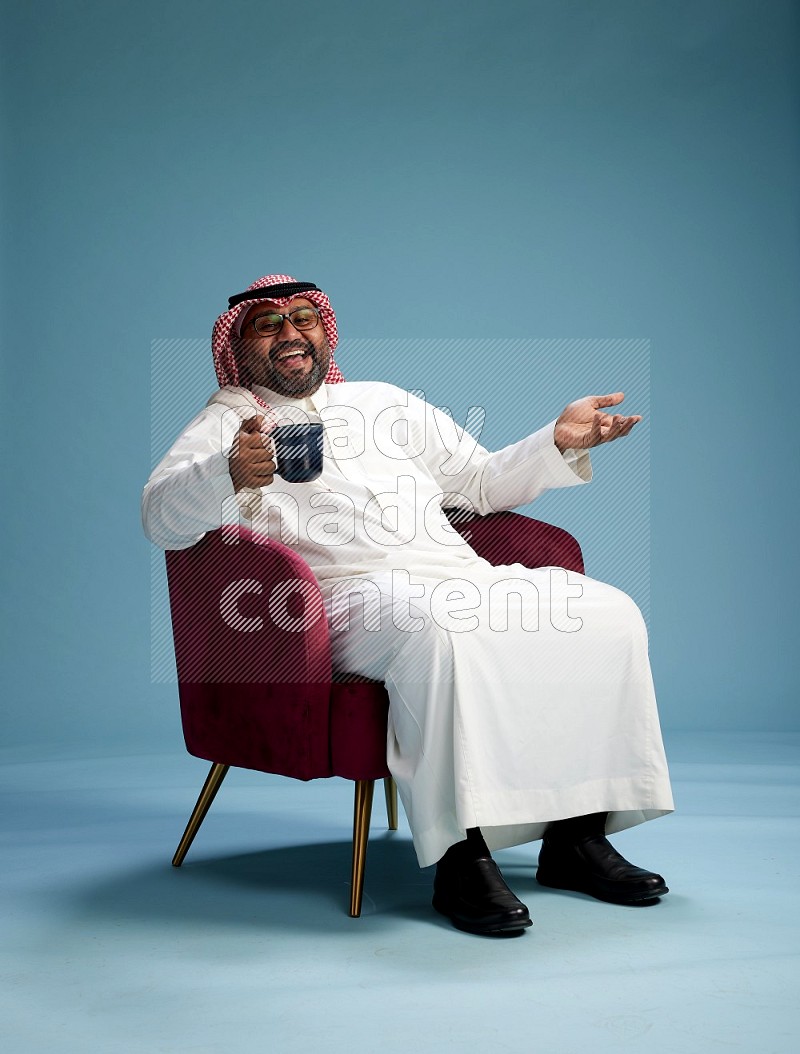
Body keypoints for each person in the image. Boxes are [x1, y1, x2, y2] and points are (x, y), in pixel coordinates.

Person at [142, 273, 674, 937]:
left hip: (453, 571)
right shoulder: (225, 423)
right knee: (438, 630)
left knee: (605, 614)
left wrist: (558, 441)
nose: (291, 334)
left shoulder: (384, 402)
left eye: (303, 319)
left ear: (324, 332)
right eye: (268, 325)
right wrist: (225, 471)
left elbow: (480, 483)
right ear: (239, 344)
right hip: (337, 600)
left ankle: (576, 837)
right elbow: (161, 518)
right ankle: (460, 855)